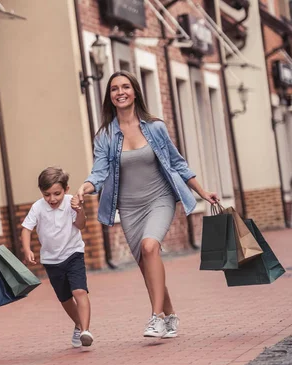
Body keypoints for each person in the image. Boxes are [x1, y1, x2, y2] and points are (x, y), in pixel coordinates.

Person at [73, 71, 218, 339]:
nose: (120, 92)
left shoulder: (155, 127)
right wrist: (86, 187)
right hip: (129, 208)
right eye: (115, 88)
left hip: (159, 198)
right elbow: (99, 171)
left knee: (149, 247)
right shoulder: (105, 135)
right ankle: (171, 313)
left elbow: (177, 163)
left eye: (125, 86)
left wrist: (202, 190)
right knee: (146, 263)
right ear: (110, 97)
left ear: (135, 92)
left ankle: (157, 317)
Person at [21, 167, 94, 349]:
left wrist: (79, 210)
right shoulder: (38, 207)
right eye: (47, 194)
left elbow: (81, 225)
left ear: (66, 189)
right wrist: (27, 249)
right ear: (41, 192)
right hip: (51, 260)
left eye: (57, 194)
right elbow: (26, 229)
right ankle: (77, 324)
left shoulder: (71, 202)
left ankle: (85, 330)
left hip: (73, 253)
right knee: (65, 298)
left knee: (79, 291)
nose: (52, 199)